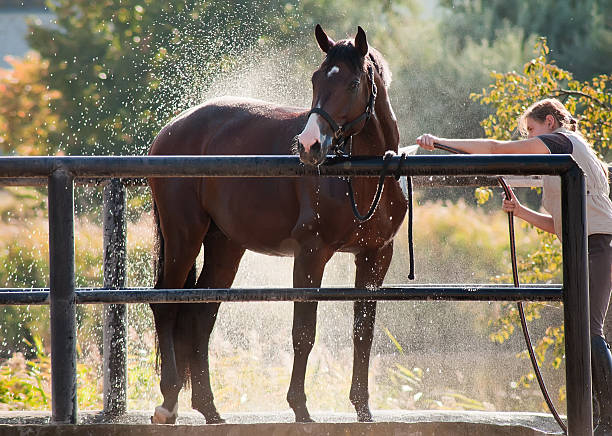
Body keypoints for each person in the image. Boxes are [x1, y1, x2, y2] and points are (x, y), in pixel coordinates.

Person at [416, 98, 612, 434]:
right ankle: (598, 415)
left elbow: (495, 147)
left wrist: (440, 141)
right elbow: (560, 224)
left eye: (531, 130)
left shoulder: (561, 141)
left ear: (550, 122)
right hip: (591, 244)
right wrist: (521, 212)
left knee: (589, 330)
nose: (530, 137)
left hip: (597, 246)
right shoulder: (569, 156)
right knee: (584, 330)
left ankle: (607, 417)